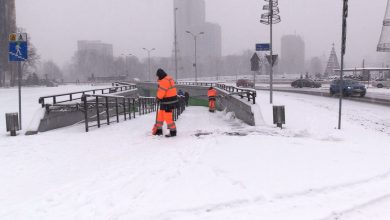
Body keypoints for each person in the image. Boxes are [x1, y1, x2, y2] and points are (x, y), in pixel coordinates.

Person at [153, 68, 178, 137]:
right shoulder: (169, 78)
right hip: (168, 101)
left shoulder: (164, 81)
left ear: (160, 75)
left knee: (167, 117)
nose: (157, 77)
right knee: (160, 115)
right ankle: (159, 129)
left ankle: (173, 132)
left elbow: (161, 92)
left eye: (158, 76)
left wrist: (158, 98)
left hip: (168, 102)